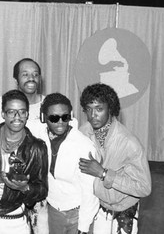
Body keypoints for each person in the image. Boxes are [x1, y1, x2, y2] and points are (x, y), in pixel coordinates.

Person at [78, 83, 151, 234]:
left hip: (125, 209)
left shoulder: (129, 143)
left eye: (99, 109)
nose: (93, 115)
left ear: (110, 108)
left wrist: (104, 174)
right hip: (97, 206)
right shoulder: (83, 132)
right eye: (89, 109)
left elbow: (144, 188)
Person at [0, 89, 48, 234]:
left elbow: (42, 189)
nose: (17, 117)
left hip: (15, 218)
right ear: (3, 114)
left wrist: (24, 187)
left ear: (27, 114)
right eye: (11, 112)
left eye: (22, 112)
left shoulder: (37, 147)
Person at [36, 93, 99, 234]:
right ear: (44, 117)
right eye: (53, 118)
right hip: (54, 211)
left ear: (70, 115)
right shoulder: (40, 137)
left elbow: (90, 191)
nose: (60, 122)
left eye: (65, 117)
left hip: (78, 213)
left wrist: (83, 227)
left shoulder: (83, 145)